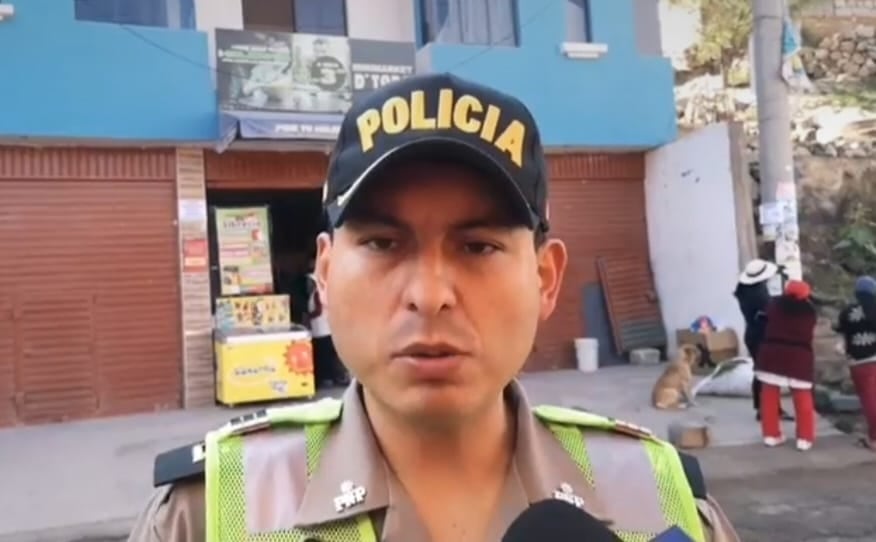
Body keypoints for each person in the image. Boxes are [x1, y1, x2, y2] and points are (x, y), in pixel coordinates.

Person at [128, 73, 739, 542]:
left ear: (545, 278)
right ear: (326, 272)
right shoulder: (204, 514)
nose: (430, 293)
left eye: (478, 246)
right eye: (382, 244)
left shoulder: (665, 500)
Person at [755, 279, 818, 451]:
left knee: (769, 397)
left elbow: (763, 320)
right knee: (802, 398)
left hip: (772, 353)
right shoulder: (809, 311)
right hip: (798, 357)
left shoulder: (774, 305)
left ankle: (771, 435)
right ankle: (804, 439)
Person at [733, 258, 793, 422]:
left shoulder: (743, 290)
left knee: (760, 372)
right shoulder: (759, 294)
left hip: (752, 334)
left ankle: (763, 407)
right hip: (763, 336)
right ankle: (770, 408)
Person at [834, 275, 876, 451]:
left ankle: (874, 439)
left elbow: (841, 337)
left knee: (870, 400)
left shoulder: (847, 312)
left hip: (859, 363)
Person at [305, 260, 350, 387]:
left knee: (325, 356)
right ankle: (335, 378)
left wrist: (308, 317)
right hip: (323, 329)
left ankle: (335, 378)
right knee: (328, 356)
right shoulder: (317, 293)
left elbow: (317, 310)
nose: (308, 286)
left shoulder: (317, 294)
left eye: (309, 283)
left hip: (321, 329)